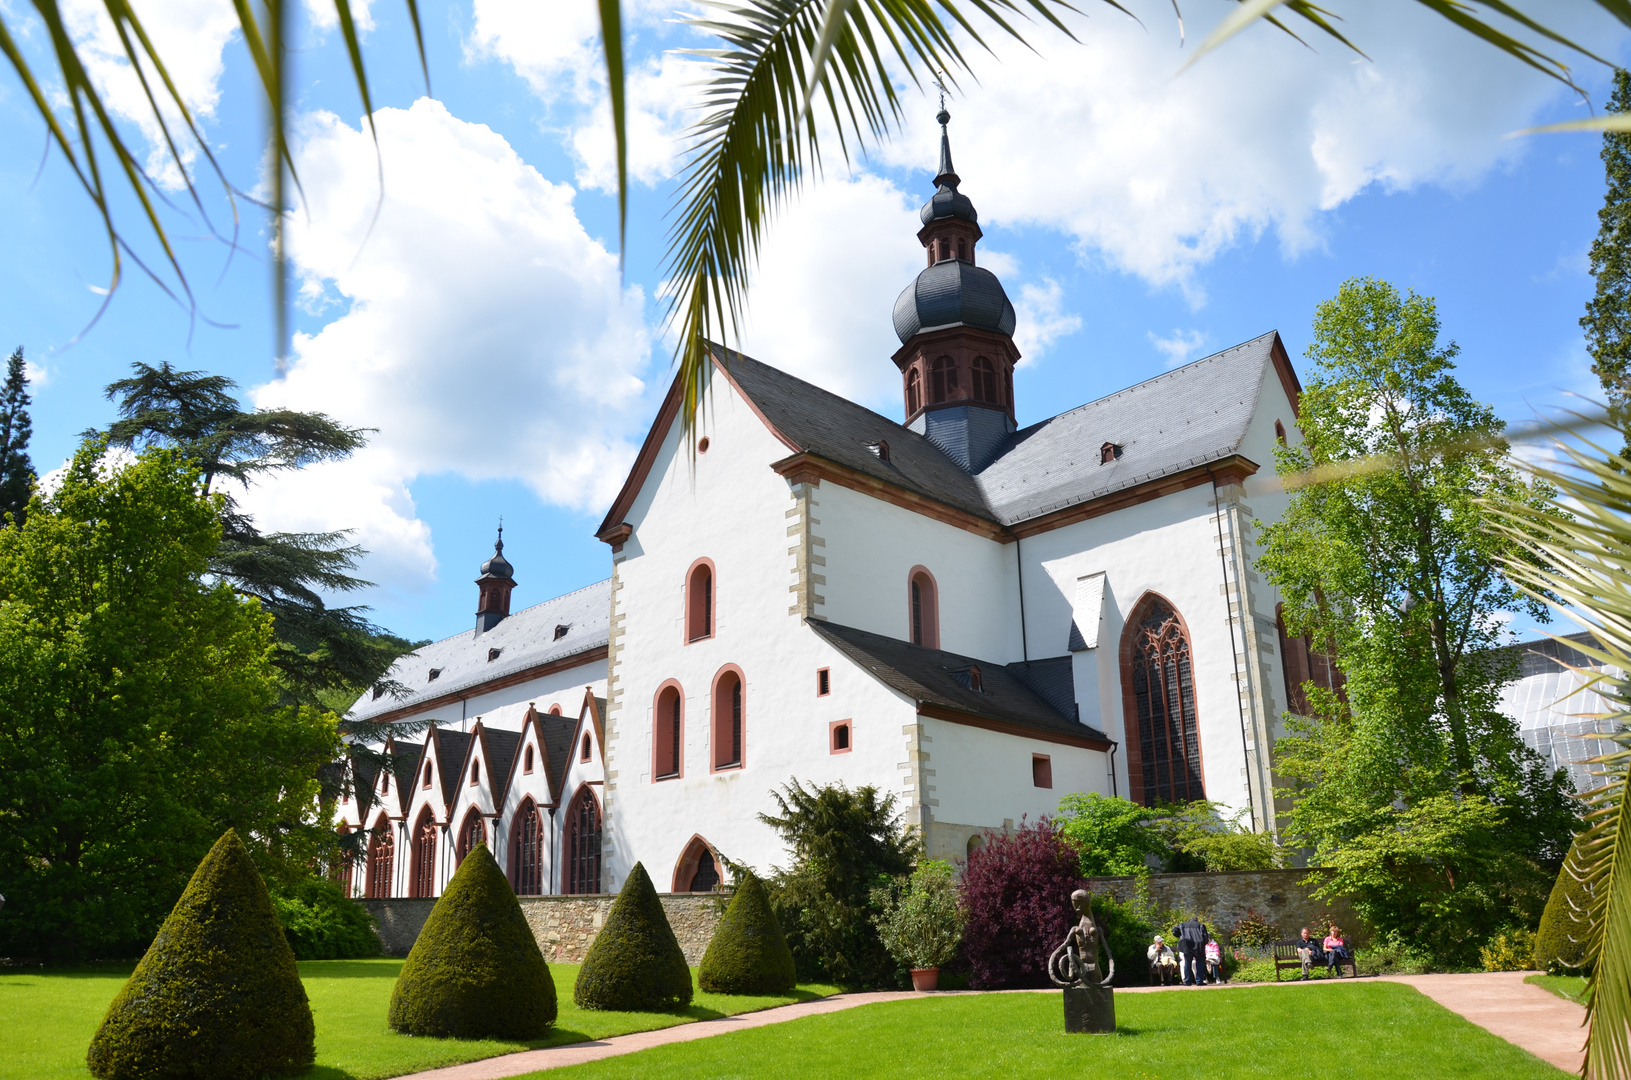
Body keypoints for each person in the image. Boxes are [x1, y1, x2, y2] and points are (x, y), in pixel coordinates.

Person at [1173, 916, 1210, 986]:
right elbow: (1205, 936)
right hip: (1198, 945)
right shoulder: (1200, 925)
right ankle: (1199, 981)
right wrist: (1204, 944)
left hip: (1187, 944)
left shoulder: (1183, 924)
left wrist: (1181, 936)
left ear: (1189, 920)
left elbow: (1174, 930)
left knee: (1187, 963)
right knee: (1200, 963)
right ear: (1196, 920)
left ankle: (1187, 981)